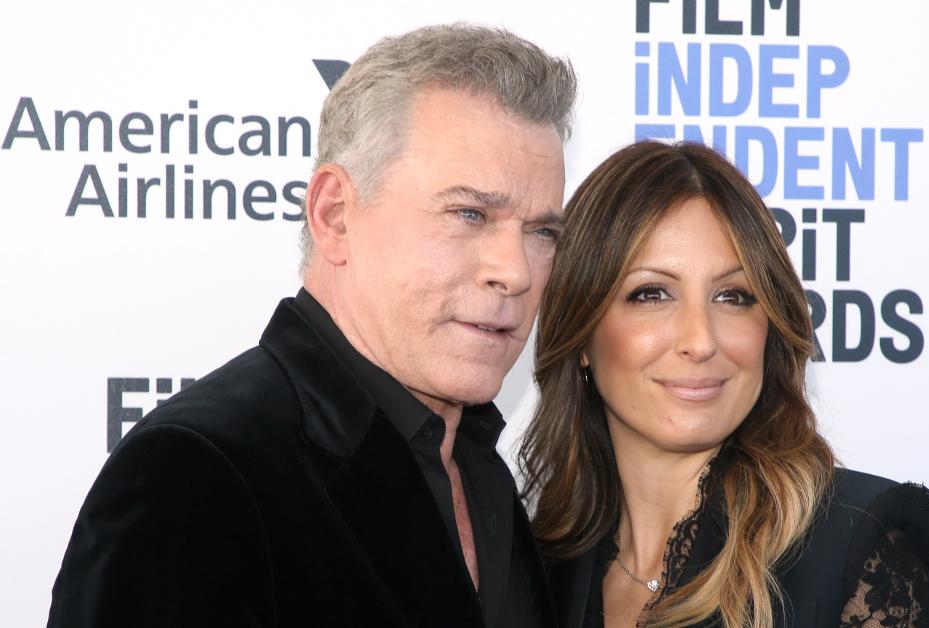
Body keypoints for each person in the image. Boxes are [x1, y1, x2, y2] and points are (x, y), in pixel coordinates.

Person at [47, 24, 576, 628]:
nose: (515, 272)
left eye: (542, 231)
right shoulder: (195, 475)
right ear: (334, 216)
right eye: (470, 214)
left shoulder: (482, 472)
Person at [519, 141, 929, 628]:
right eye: (652, 294)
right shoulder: (535, 571)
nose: (700, 341)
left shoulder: (860, 549)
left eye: (733, 296)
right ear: (581, 333)